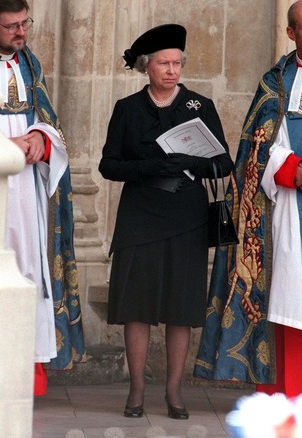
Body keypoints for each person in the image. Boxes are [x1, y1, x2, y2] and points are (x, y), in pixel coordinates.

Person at [194, 0, 302, 399]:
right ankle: (291, 395)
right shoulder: (275, 83)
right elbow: (257, 150)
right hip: (291, 213)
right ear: (291, 33)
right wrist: (297, 171)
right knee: (291, 296)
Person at [99, 23, 234, 419]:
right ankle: (137, 389)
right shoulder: (127, 108)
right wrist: (145, 167)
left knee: (181, 307)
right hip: (140, 216)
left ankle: (174, 391)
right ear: (147, 66)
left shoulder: (199, 106)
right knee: (137, 305)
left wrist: (195, 161)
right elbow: (108, 164)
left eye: (177, 63)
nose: (172, 70)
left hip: (187, 216)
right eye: (164, 63)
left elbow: (224, 162)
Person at [0, 0, 85, 391]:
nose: (21, 32)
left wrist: (39, 140)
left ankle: (24, 376)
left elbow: (49, 122)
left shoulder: (28, 64)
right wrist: (2, 145)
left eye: (24, 23)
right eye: (11, 26)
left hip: (27, 191)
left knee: (28, 267)